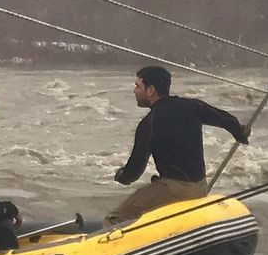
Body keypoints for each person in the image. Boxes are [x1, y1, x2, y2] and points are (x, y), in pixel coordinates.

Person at [105, 65, 249, 226]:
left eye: (138, 86)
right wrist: (239, 132)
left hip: (173, 190)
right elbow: (225, 119)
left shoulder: (149, 123)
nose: (134, 91)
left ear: (151, 90)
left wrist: (121, 176)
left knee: (116, 219)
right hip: (200, 188)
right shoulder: (191, 106)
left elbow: (134, 172)